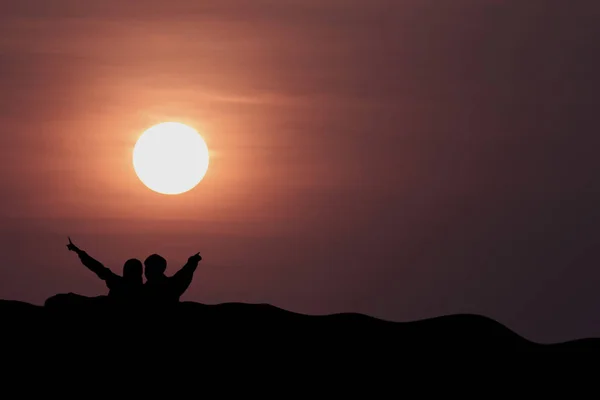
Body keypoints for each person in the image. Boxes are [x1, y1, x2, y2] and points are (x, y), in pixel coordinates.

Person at [44, 237, 144, 310]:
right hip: (99, 304)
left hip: (99, 308)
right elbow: (99, 269)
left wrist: (78, 251)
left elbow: (98, 268)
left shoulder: (121, 284)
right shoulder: (143, 291)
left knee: (66, 301)